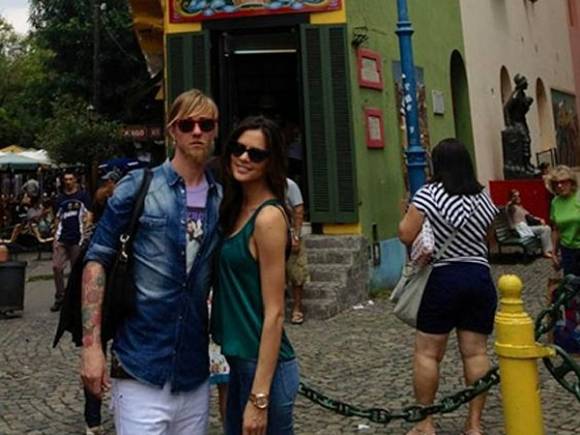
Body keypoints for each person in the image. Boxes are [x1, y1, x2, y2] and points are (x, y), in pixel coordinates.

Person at [81, 89, 222, 435]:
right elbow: (96, 261)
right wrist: (91, 349)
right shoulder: (139, 187)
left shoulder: (221, 199)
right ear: (173, 130)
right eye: (187, 124)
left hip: (194, 372)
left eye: (206, 124)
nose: (197, 131)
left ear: (215, 130)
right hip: (140, 366)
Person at [398, 138, 499, 435]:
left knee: (428, 353)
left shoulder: (429, 195)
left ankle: (425, 422)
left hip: (443, 278)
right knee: (476, 353)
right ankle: (474, 424)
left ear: (437, 164)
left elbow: (405, 234)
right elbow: (489, 239)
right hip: (479, 277)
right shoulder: (484, 198)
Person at [212, 116, 300, 435]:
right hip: (240, 361)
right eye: (238, 148)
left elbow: (275, 312)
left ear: (270, 162)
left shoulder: (268, 218)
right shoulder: (234, 209)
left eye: (256, 154)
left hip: (263, 370)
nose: (244, 157)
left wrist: (259, 398)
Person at [548, 166, 580, 352]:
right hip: (568, 251)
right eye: (556, 184)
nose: (560, 186)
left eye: (563, 182)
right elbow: (556, 229)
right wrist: (554, 251)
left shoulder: (578, 198)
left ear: (571, 182)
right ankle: (572, 330)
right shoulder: (555, 202)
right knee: (570, 291)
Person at [50, 170, 92, 312]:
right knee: (57, 267)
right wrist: (55, 236)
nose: (68, 182)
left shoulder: (83, 196)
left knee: (76, 270)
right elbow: (57, 218)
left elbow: (89, 214)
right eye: (66, 179)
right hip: (62, 237)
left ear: (75, 181)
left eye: (70, 179)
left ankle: (75, 298)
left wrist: (86, 229)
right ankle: (60, 297)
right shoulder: (59, 199)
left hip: (77, 237)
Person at [286, 177, 309, 324]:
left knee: (296, 272)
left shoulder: (290, 185)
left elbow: (298, 210)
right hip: (271, 234)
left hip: (289, 233)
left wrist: (296, 235)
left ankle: (297, 308)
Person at [506, 188, 553, 257]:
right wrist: (511, 202)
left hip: (524, 228)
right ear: (511, 198)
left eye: (518, 196)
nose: (518, 198)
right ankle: (546, 251)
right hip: (517, 230)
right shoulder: (511, 207)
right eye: (515, 196)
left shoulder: (519, 206)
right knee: (545, 229)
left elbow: (529, 216)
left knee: (546, 228)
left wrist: (540, 219)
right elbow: (509, 209)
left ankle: (548, 250)